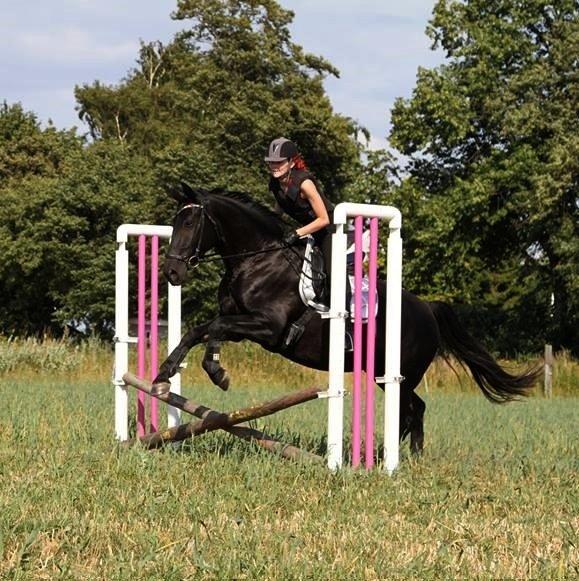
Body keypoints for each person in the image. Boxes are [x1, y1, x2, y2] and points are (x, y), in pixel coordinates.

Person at [265, 137, 334, 299]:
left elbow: (324, 219)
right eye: (271, 162)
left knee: (332, 273)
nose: (274, 167)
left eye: (279, 162)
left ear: (292, 163)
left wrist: (297, 233)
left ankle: (344, 308)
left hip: (330, 230)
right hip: (308, 229)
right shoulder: (276, 183)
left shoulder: (304, 183)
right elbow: (279, 208)